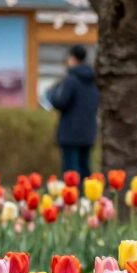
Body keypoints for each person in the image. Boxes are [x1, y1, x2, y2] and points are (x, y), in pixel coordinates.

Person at [46, 43, 99, 179]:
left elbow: (61, 102)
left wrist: (50, 95)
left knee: (71, 173)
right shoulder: (93, 81)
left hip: (70, 133)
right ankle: (87, 199)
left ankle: (75, 199)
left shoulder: (71, 80)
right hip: (88, 132)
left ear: (72, 58)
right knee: (85, 169)